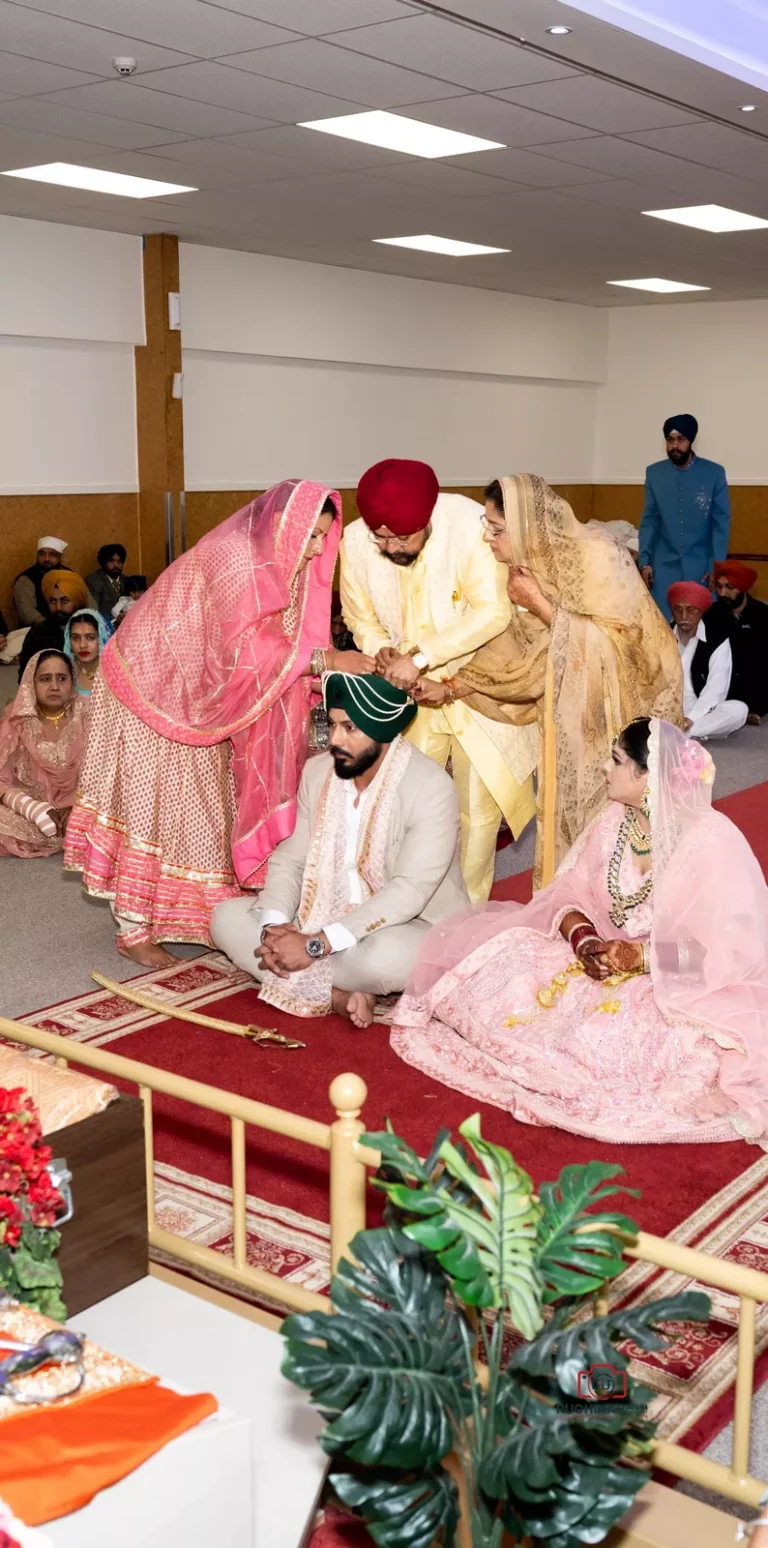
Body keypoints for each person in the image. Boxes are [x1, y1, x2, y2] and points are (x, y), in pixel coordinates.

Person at [391, 717, 768, 1146]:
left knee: (649, 1038)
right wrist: (584, 940)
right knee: (510, 958)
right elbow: (567, 893)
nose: (605, 770)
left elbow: (730, 952)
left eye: (616, 761)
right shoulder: (614, 821)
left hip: (675, 984)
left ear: (648, 776)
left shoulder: (711, 841)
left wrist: (642, 959)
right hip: (603, 958)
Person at [64, 481, 373, 968]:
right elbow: (241, 652)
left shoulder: (279, 563)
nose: (316, 549)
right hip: (151, 687)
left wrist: (326, 668)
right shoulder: (236, 560)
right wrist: (327, 658)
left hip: (203, 697)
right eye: (310, 536)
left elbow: (273, 645)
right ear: (284, 527)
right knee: (151, 805)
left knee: (203, 806)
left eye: (321, 538)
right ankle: (132, 928)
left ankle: (192, 912)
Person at [413, 474, 683, 888]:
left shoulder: (597, 556)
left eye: (497, 529)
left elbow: (627, 649)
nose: (489, 538)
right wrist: (451, 687)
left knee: (612, 819)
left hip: (622, 711)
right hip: (565, 713)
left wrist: (539, 604)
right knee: (565, 816)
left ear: (526, 526)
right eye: (487, 526)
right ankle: (572, 914)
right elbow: (521, 651)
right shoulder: (524, 566)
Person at [211, 672, 468, 1029]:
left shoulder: (430, 788)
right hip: (318, 912)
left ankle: (308, 971)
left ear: (383, 732)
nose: (335, 740)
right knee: (226, 918)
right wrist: (275, 929)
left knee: (382, 960)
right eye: (332, 725)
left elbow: (410, 890)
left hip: (405, 924)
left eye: (350, 728)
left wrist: (314, 945)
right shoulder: (319, 773)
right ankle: (338, 996)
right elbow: (292, 857)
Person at [340, 459, 538, 904]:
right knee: (402, 801)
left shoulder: (470, 528)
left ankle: (463, 921)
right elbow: (358, 613)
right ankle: (400, 910)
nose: (391, 547)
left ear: (427, 519)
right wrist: (381, 650)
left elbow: (493, 612)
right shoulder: (356, 540)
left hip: (481, 685)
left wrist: (423, 657)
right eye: (382, 538)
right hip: (410, 694)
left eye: (402, 537)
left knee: (477, 814)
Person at [638, 414, 730, 620]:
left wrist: (716, 565)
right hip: (663, 567)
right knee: (663, 628)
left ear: (690, 441)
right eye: (670, 441)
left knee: (702, 627)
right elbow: (650, 520)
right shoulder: (654, 473)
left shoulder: (714, 473)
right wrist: (644, 561)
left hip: (702, 568)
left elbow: (720, 523)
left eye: (681, 440)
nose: (675, 446)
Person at [0, 651, 86, 859]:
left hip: (86, 807)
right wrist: (32, 809)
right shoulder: (17, 720)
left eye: (62, 678)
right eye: (45, 679)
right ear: (32, 683)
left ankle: (76, 823)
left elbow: (109, 771)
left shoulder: (88, 715)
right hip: (33, 811)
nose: (54, 686)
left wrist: (79, 807)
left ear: (72, 681)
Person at [669, 581, 747, 741]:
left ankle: (683, 733)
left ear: (701, 611)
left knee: (739, 710)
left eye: (691, 610)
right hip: (666, 708)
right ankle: (683, 733)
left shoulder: (717, 639)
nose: (684, 616)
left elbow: (716, 689)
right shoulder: (661, 635)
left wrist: (690, 719)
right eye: (678, 610)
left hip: (701, 709)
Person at [711, 561, 768, 724]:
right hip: (722, 681)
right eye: (719, 587)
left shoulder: (763, 615)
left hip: (755, 681)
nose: (723, 593)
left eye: (730, 587)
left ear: (742, 587)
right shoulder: (711, 614)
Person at [17, 571, 90, 680]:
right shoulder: (39, 632)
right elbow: (25, 675)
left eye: (65, 601)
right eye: (53, 601)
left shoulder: (93, 630)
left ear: (77, 602)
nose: (58, 607)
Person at [13, 537, 69, 627]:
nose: (46, 559)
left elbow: (87, 603)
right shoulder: (26, 579)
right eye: (42, 554)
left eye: (52, 555)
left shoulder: (69, 575)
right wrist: (54, 630)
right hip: (37, 631)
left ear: (60, 557)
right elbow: (28, 614)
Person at [63, 609, 112, 700]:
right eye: (75, 638)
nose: (82, 645)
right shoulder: (64, 673)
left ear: (102, 638)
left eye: (90, 638)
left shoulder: (115, 675)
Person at [87, 544, 126, 623]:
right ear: (103, 562)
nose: (116, 565)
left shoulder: (126, 580)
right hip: (105, 626)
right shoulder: (94, 581)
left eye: (119, 561)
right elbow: (93, 611)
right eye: (111, 561)